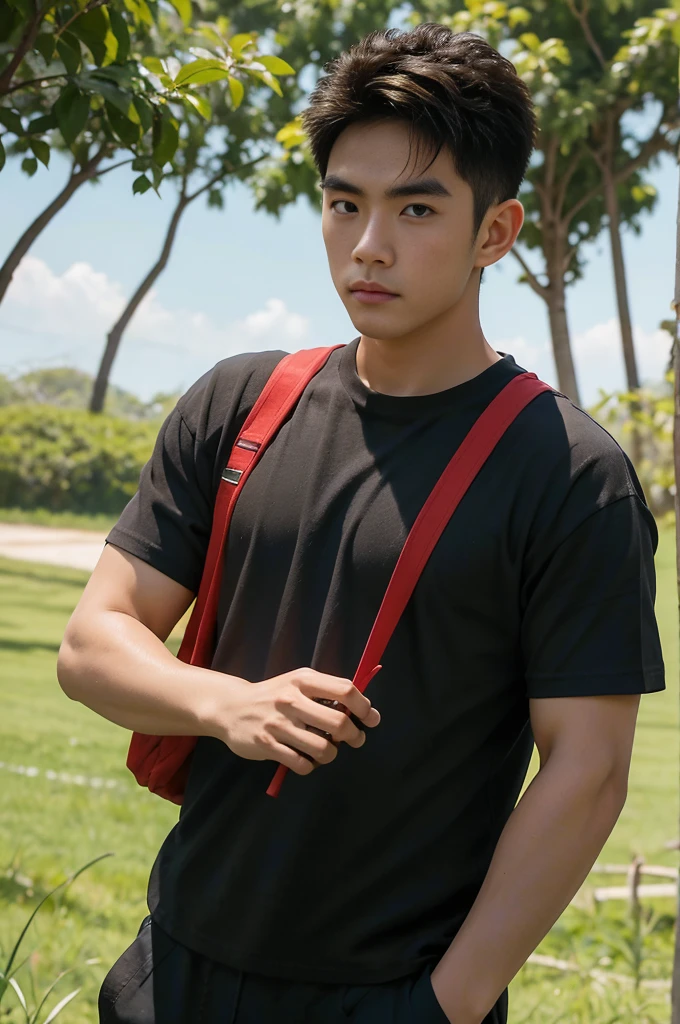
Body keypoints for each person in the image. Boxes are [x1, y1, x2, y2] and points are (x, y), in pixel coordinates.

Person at [57, 21, 665, 1024]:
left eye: (414, 208)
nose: (368, 244)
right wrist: (222, 704)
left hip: (389, 995)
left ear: (495, 232)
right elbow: (90, 644)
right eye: (344, 204)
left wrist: (446, 1003)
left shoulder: (568, 474)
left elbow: (588, 770)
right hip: (169, 968)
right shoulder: (239, 404)